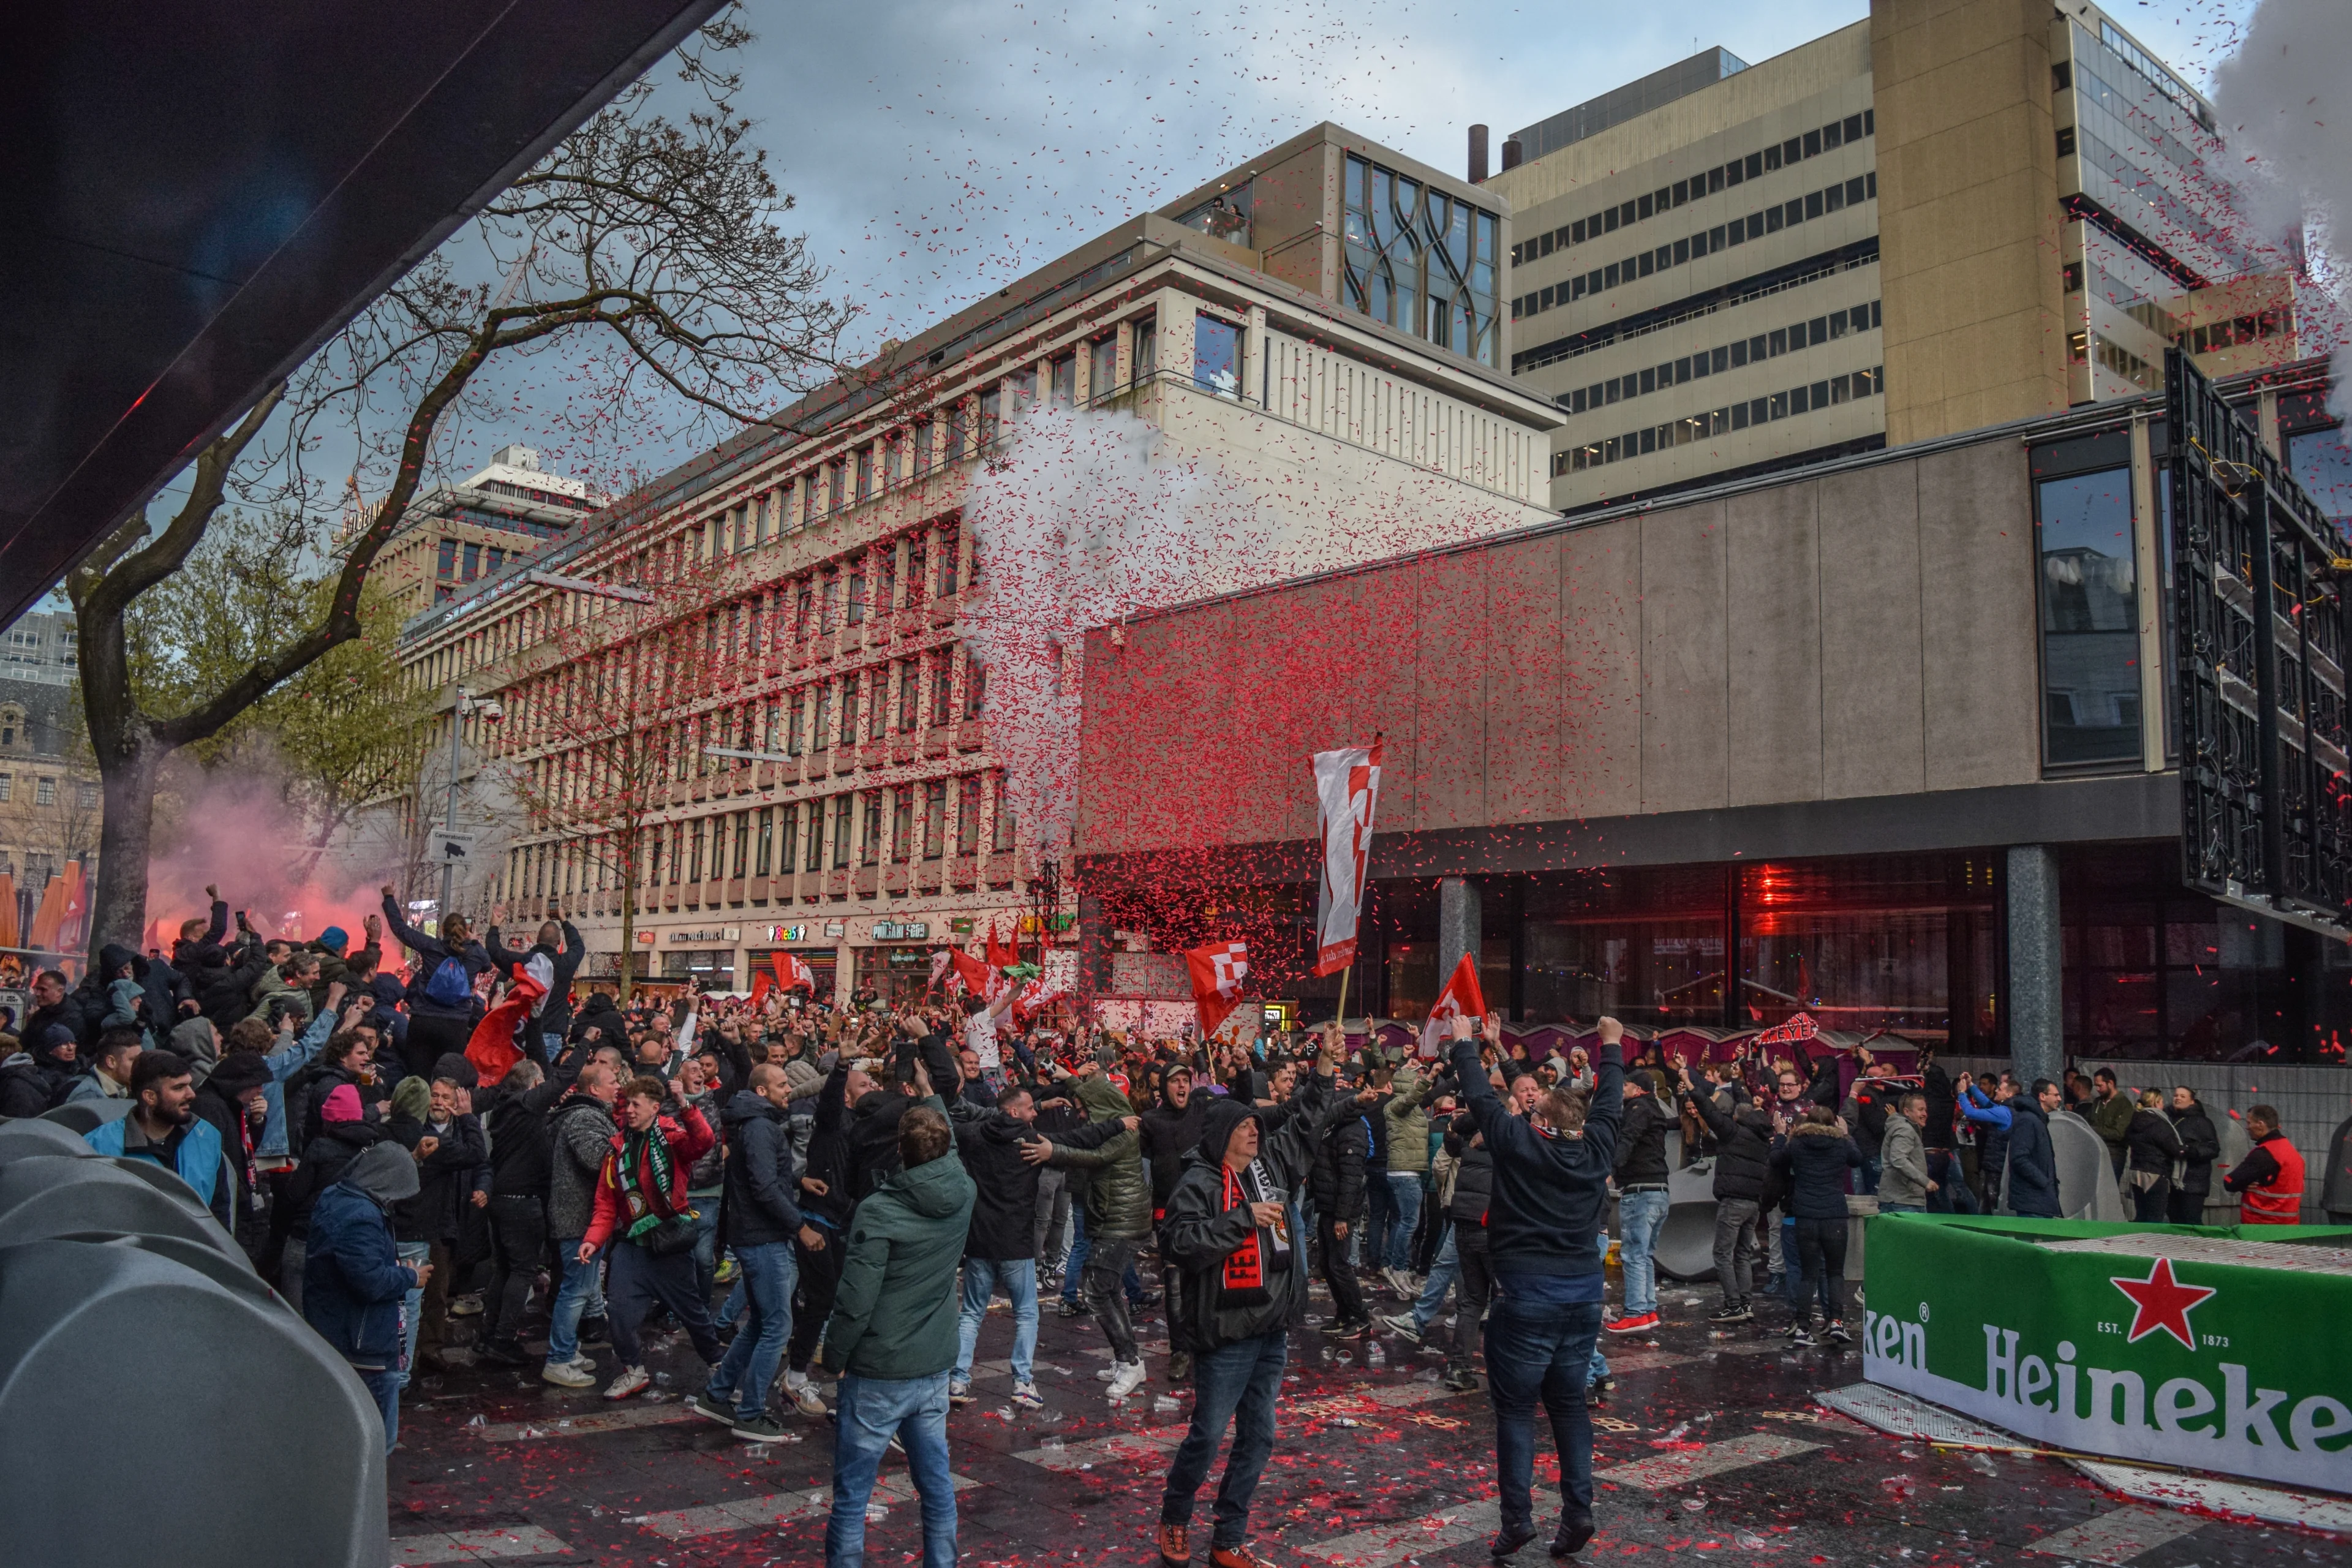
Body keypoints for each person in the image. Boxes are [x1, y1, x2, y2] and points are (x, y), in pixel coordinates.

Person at [1156, 1026, 1366, 1568]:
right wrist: (1241, 1221)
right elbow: (1179, 1244)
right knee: (1206, 1435)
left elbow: (1306, 1122)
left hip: (1272, 1329)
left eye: (1256, 1125)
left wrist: (1323, 1070)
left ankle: (1228, 1537)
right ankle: (1176, 1517)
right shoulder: (1200, 1183)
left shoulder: (1272, 1169)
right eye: (1245, 1126)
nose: (1255, 1132)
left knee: (1260, 1437)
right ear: (1222, 1134)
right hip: (1226, 1335)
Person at [1452, 1011, 1622, 1559]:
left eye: (1534, 1106)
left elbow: (1479, 1098)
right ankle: (1578, 1512)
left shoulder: (1520, 1146)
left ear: (1541, 1120)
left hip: (1525, 1299)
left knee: (1517, 1410)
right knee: (1569, 1406)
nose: (1526, 1106)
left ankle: (1517, 1520)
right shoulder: (1595, 1147)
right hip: (1582, 1299)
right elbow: (1611, 1101)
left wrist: (1462, 1045)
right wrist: (1611, 1045)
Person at [820, 1078, 975, 1568]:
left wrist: (835, 1356)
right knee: (936, 1486)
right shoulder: (963, 1191)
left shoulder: (880, 1210)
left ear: (898, 1151)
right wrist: (931, 1094)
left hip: (878, 1368)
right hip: (932, 1364)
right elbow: (944, 1144)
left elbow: (854, 1300)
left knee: (852, 1496)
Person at [951, 1080, 1129, 1409]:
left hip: (979, 1239)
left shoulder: (973, 1135)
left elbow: (947, 1124)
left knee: (972, 1313)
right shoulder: (1030, 1141)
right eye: (1031, 1108)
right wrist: (1119, 1124)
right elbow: (1078, 1139)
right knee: (1026, 1314)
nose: (1036, 1113)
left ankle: (959, 1380)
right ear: (1015, 1111)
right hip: (1017, 1241)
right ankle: (1022, 1382)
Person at [693, 1064, 829, 1441]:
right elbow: (764, 1187)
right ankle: (750, 1413)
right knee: (777, 1326)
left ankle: (717, 1394)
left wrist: (798, 1180)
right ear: (763, 1092)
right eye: (782, 1085)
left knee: (759, 1323)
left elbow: (763, 1174)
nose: (789, 1090)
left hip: (756, 1235)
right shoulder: (759, 1128)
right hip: (762, 1238)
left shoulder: (757, 1124)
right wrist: (800, 1229)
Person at [580, 1075, 723, 1399]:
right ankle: (634, 1371)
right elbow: (605, 1204)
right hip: (632, 1247)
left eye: (636, 1104)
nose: (629, 1111)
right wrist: (594, 1239)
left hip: (670, 1245)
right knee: (618, 1315)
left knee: (693, 1315)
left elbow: (703, 1142)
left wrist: (687, 1106)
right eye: (626, 1104)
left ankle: (717, 1365)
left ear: (655, 1108)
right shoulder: (616, 1149)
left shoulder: (672, 1138)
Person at [306, 1140, 432, 1452]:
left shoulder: (336, 1196)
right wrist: (411, 1276)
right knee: (376, 1441)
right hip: (364, 1343)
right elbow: (370, 1281)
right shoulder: (362, 1216)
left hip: (342, 1330)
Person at [1043, 1052, 1153, 1399]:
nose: (1079, 1115)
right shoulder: (1112, 1118)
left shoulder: (1125, 1130)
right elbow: (1094, 1100)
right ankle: (1129, 1360)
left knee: (1096, 1289)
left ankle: (1130, 1360)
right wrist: (1070, 1077)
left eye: (1082, 1110)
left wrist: (1052, 1152)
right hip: (1112, 1217)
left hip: (1123, 1221)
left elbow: (1095, 1157)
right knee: (1106, 1289)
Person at [85, 1049, 232, 1229]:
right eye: (179, 1088)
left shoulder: (206, 1135)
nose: (191, 1095)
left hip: (195, 1253)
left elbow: (220, 1209)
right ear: (150, 1097)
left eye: (189, 1085)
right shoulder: (99, 1145)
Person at [475, 1058, 559, 1366]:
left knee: (504, 1269)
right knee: (522, 1270)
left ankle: (487, 1334)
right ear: (535, 1086)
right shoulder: (527, 1111)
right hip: (523, 1201)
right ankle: (502, 1338)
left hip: (501, 1198)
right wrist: (586, 1044)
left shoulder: (505, 1109)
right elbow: (559, 1080)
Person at [542, 1060, 621, 1388]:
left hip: (582, 1220)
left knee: (581, 1288)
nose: (619, 1086)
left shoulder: (586, 1115)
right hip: (579, 1220)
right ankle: (558, 1360)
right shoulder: (585, 1117)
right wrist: (624, 1147)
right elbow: (597, 1161)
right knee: (574, 1291)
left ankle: (568, 1351)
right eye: (613, 1081)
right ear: (594, 1089)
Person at [277, 1084, 388, 1311]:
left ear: (328, 1119)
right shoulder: (372, 1149)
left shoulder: (320, 1148)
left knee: (295, 1316)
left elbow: (294, 1195)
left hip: (308, 1234)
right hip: (350, 1240)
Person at [1676, 1063, 1771, 1320]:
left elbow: (1708, 1109)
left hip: (1734, 1202)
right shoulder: (1762, 1140)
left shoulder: (1733, 1133)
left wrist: (1691, 1085)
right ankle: (1746, 1303)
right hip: (1753, 1203)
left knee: (1722, 1253)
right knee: (1742, 1254)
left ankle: (1733, 1305)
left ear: (1738, 1119)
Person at [379, 886, 494, 1081]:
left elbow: (401, 929)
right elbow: (488, 966)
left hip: (423, 1020)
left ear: (442, 930)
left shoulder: (431, 947)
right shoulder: (474, 952)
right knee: (448, 1081)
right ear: (467, 931)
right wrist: (474, 942)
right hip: (455, 1024)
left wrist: (389, 897)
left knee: (418, 1079)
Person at [1770, 1104, 1860, 1346]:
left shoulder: (1797, 1144)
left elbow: (1776, 1159)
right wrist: (1846, 1133)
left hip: (1806, 1216)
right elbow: (1857, 1159)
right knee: (1834, 1271)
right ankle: (1837, 1322)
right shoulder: (1840, 1143)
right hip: (1835, 1216)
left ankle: (1802, 1327)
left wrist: (1780, 1134)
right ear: (1832, 1123)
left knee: (1808, 1274)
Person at [1609, 1066, 1674, 1335]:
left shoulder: (1637, 1109)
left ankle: (1636, 1312)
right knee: (1645, 1255)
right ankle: (1648, 1310)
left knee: (1634, 1254)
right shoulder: (1656, 1110)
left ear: (1637, 1089)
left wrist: (1610, 1170)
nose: (1621, 1091)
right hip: (1659, 1191)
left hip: (1640, 1191)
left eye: (1625, 1086)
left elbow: (1628, 1139)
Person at [2224, 1106, 2304, 1224]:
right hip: (2289, 1225)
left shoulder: (2264, 1154)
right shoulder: (2290, 1151)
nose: (2247, 1127)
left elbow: (2230, 1182)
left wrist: (2243, 1185)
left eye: (2249, 1123)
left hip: (2260, 1224)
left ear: (2260, 1124)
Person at [2005, 1080, 2064, 1218]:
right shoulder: (2028, 1121)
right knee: (2031, 1240)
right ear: (2043, 1096)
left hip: (2036, 1200)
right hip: (2032, 1200)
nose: (2059, 1099)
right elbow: (2019, 1158)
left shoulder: (2036, 1120)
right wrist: (2043, 1182)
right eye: (2055, 1095)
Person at [2123, 1089, 2182, 1223]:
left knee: (2141, 1215)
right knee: (2155, 1217)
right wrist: (2186, 1149)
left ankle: (2137, 1241)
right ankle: (2151, 1243)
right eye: (2161, 1102)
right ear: (2156, 1103)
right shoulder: (2159, 1123)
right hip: (2156, 1172)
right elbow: (2173, 1148)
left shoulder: (2135, 1120)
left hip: (2136, 1171)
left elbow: (2126, 1137)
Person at [2165, 1087, 2221, 1225]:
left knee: (2191, 1220)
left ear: (2192, 1102)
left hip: (2194, 1182)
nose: (2178, 1098)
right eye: (2176, 1095)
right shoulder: (2167, 1118)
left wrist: (2190, 1151)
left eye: (2183, 1096)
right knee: (2175, 1220)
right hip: (2172, 1180)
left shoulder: (2202, 1122)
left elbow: (2213, 1148)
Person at [1876, 1092, 1934, 1215]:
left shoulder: (1906, 1128)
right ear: (1907, 1112)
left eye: (1925, 1110)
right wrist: (1925, 1181)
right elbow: (1898, 1159)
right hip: (1904, 1202)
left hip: (1902, 1200)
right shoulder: (1905, 1130)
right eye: (1920, 1110)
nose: (1925, 1114)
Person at [66, 1025, 142, 1103]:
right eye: (134, 1060)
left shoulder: (125, 1087)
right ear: (111, 1062)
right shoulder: (87, 1097)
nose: (140, 1066)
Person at [2087, 1068, 2133, 1180]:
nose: (2097, 1089)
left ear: (2110, 1083)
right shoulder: (2097, 1102)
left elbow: (2118, 1134)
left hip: (2114, 1154)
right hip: (2096, 1151)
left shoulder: (2124, 1105)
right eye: (2096, 1086)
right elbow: (2087, 1121)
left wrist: (2093, 1130)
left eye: (2100, 1086)